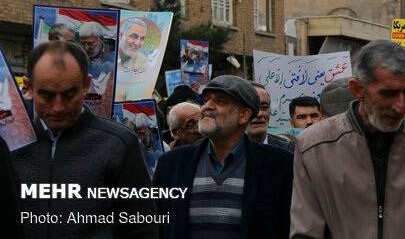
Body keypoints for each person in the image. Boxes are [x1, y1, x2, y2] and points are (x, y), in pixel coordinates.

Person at [290, 40, 405, 238]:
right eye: (389, 93)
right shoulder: (314, 147)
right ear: (357, 90)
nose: (400, 105)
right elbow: (306, 232)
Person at [11, 41, 157, 238]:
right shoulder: (9, 141)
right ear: (28, 87)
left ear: (87, 85)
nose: (58, 107)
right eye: (46, 95)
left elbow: (141, 227)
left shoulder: (119, 143)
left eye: (69, 95)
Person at [153, 75, 294, 238]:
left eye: (220, 101)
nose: (207, 107)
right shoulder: (170, 165)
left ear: (244, 115)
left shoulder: (279, 166)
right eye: (206, 100)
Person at [246, 81, 295, 152]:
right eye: (252, 107)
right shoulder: (226, 150)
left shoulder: (286, 149)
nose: (259, 114)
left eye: (264, 107)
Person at [78, 21, 115, 95]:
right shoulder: (77, 54)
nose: (86, 48)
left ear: (100, 38)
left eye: (90, 43)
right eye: (83, 44)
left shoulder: (115, 52)